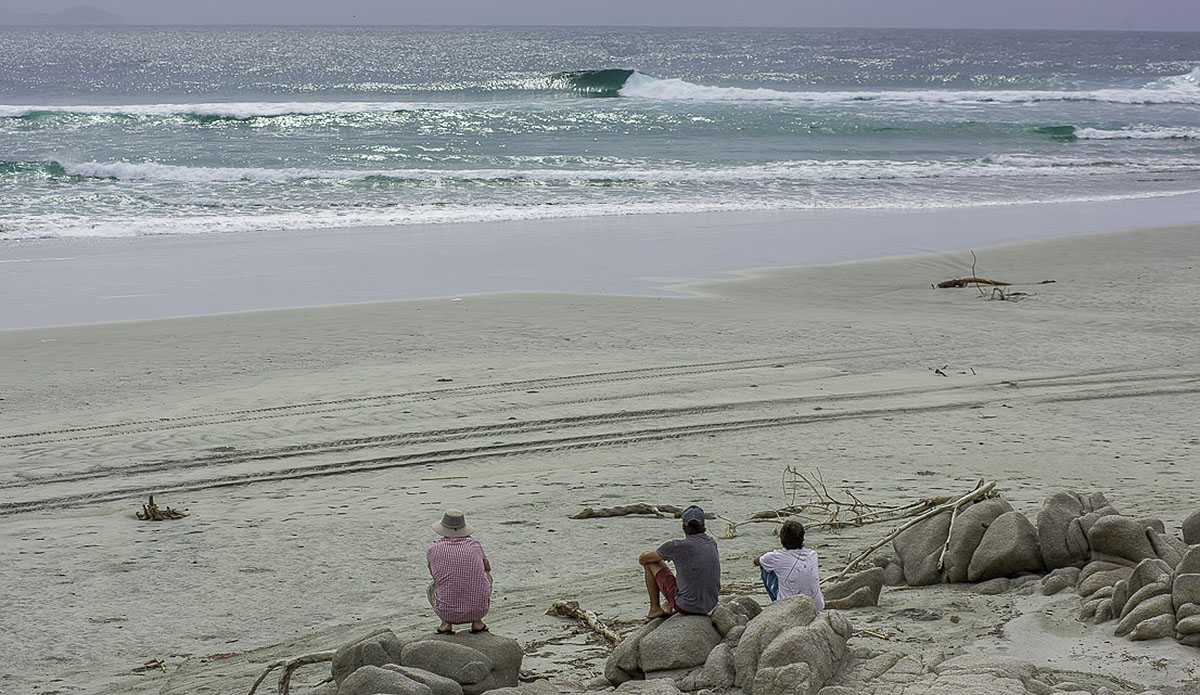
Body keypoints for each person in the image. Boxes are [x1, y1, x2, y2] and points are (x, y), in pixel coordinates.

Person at [638, 505, 721, 619]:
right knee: (689, 569)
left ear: (683, 526)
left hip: (688, 606)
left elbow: (643, 559)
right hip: (710, 604)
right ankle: (668, 603)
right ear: (703, 525)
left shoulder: (677, 546)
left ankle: (654, 609)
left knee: (651, 563)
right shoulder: (712, 542)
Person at [427, 509, 492, 634]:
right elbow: (487, 568)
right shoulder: (475, 545)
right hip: (478, 609)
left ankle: (446, 623)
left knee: (432, 585)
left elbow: (434, 575)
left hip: (447, 611)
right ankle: (477, 621)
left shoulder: (432, 549)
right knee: (486, 576)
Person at [754, 519, 824, 610]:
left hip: (790, 608)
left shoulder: (776, 557)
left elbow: (756, 561)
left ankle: (776, 603)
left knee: (765, 568)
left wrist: (764, 555)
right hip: (817, 606)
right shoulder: (813, 554)